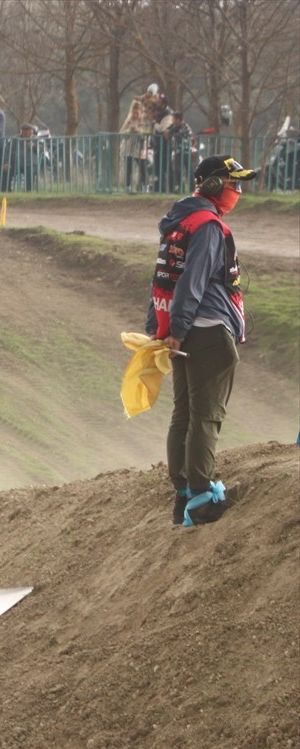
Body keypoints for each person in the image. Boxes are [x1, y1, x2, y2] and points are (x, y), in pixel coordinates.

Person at [144, 155, 257, 526]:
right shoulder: (208, 226)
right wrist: (175, 329)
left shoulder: (179, 221)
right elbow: (191, 282)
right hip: (206, 330)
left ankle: (182, 497)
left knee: (184, 414)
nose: (237, 190)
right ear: (210, 185)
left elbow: (163, 277)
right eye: (232, 182)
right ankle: (202, 498)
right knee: (206, 416)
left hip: (184, 330)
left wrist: (161, 329)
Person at [119, 97, 149, 193]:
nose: (135, 115)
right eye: (134, 113)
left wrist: (139, 131)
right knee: (128, 168)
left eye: (137, 113)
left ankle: (145, 187)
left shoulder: (143, 122)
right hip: (129, 148)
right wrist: (129, 131)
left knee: (143, 168)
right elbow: (121, 132)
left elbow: (147, 132)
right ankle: (127, 187)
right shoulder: (128, 121)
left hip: (140, 149)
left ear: (140, 113)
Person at [13, 123, 39, 191]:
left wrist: (33, 146)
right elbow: (8, 150)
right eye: (25, 131)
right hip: (17, 163)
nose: (28, 133)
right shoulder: (16, 139)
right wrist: (6, 162)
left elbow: (42, 150)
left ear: (32, 131)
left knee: (29, 171)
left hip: (32, 164)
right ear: (21, 132)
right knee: (6, 170)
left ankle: (28, 190)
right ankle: (5, 190)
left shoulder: (37, 139)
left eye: (29, 131)